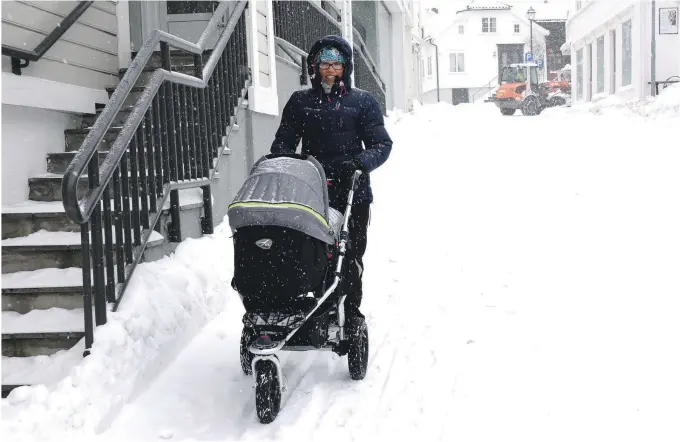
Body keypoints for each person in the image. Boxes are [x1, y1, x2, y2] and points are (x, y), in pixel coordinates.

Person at [270, 35, 392, 328]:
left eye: (336, 64)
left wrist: (359, 163)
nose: (330, 70)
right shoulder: (300, 102)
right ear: (315, 67)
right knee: (304, 249)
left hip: (352, 192)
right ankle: (301, 302)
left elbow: (381, 144)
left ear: (345, 68)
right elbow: (284, 141)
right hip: (311, 190)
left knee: (348, 254)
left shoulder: (362, 102)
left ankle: (351, 311)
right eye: (324, 63)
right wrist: (282, 161)